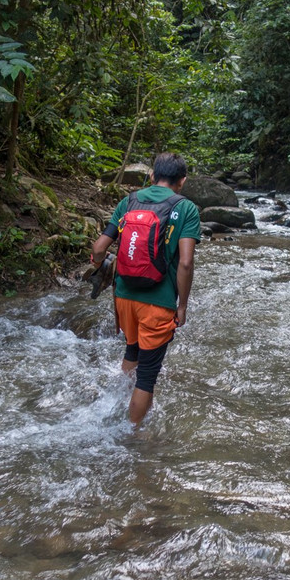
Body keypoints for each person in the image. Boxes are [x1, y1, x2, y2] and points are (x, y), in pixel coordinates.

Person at [90, 152, 201, 426]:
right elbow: (185, 263)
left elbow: (98, 248)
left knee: (132, 350)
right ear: (182, 181)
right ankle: (135, 435)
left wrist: (98, 266)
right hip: (158, 302)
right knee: (149, 374)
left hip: (124, 298)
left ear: (152, 175)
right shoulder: (186, 209)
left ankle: (118, 401)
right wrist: (183, 305)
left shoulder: (129, 201)